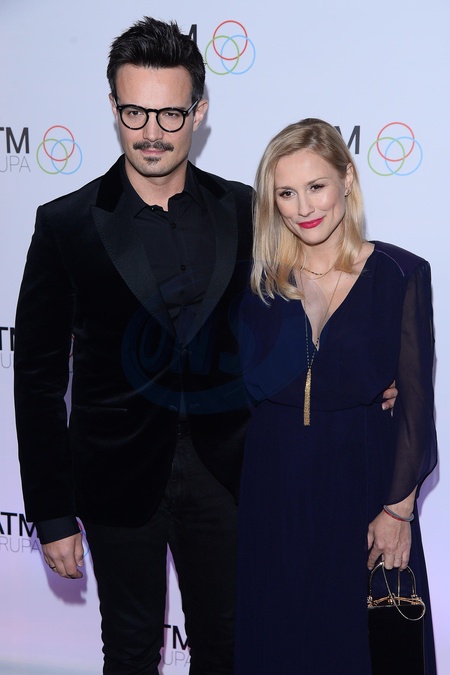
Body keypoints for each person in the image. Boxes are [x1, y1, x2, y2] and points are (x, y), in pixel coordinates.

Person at [13, 19, 397, 674]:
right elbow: (38, 379)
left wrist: (365, 376)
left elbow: (304, 304)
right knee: (130, 651)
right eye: (135, 112)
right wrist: (51, 514)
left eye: (170, 113)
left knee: (230, 648)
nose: (151, 132)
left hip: (234, 474)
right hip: (115, 478)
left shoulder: (245, 211)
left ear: (199, 111)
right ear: (113, 107)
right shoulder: (65, 224)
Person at [234, 118, 437, 674]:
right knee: (279, 643)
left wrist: (398, 510)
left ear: (347, 179)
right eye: (286, 193)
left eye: (316, 186)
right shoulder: (255, 283)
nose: (303, 207)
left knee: (362, 649)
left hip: (363, 491)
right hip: (274, 495)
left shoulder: (400, 273)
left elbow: (417, 405)